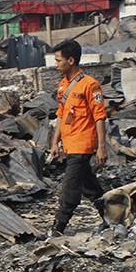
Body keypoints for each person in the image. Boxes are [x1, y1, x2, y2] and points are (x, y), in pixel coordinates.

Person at [48, 39, 107, 235]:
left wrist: (101, 147)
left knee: (70, 188)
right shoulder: (63, 86)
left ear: (71, 60)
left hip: (83, 145)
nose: (56, 64)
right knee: (89, 186)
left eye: (58, 60)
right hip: (69, 144)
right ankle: (112, 215)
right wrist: (55, 143)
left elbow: (99, 117)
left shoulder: (91, 86)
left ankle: (58, 228)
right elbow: (61, 115)